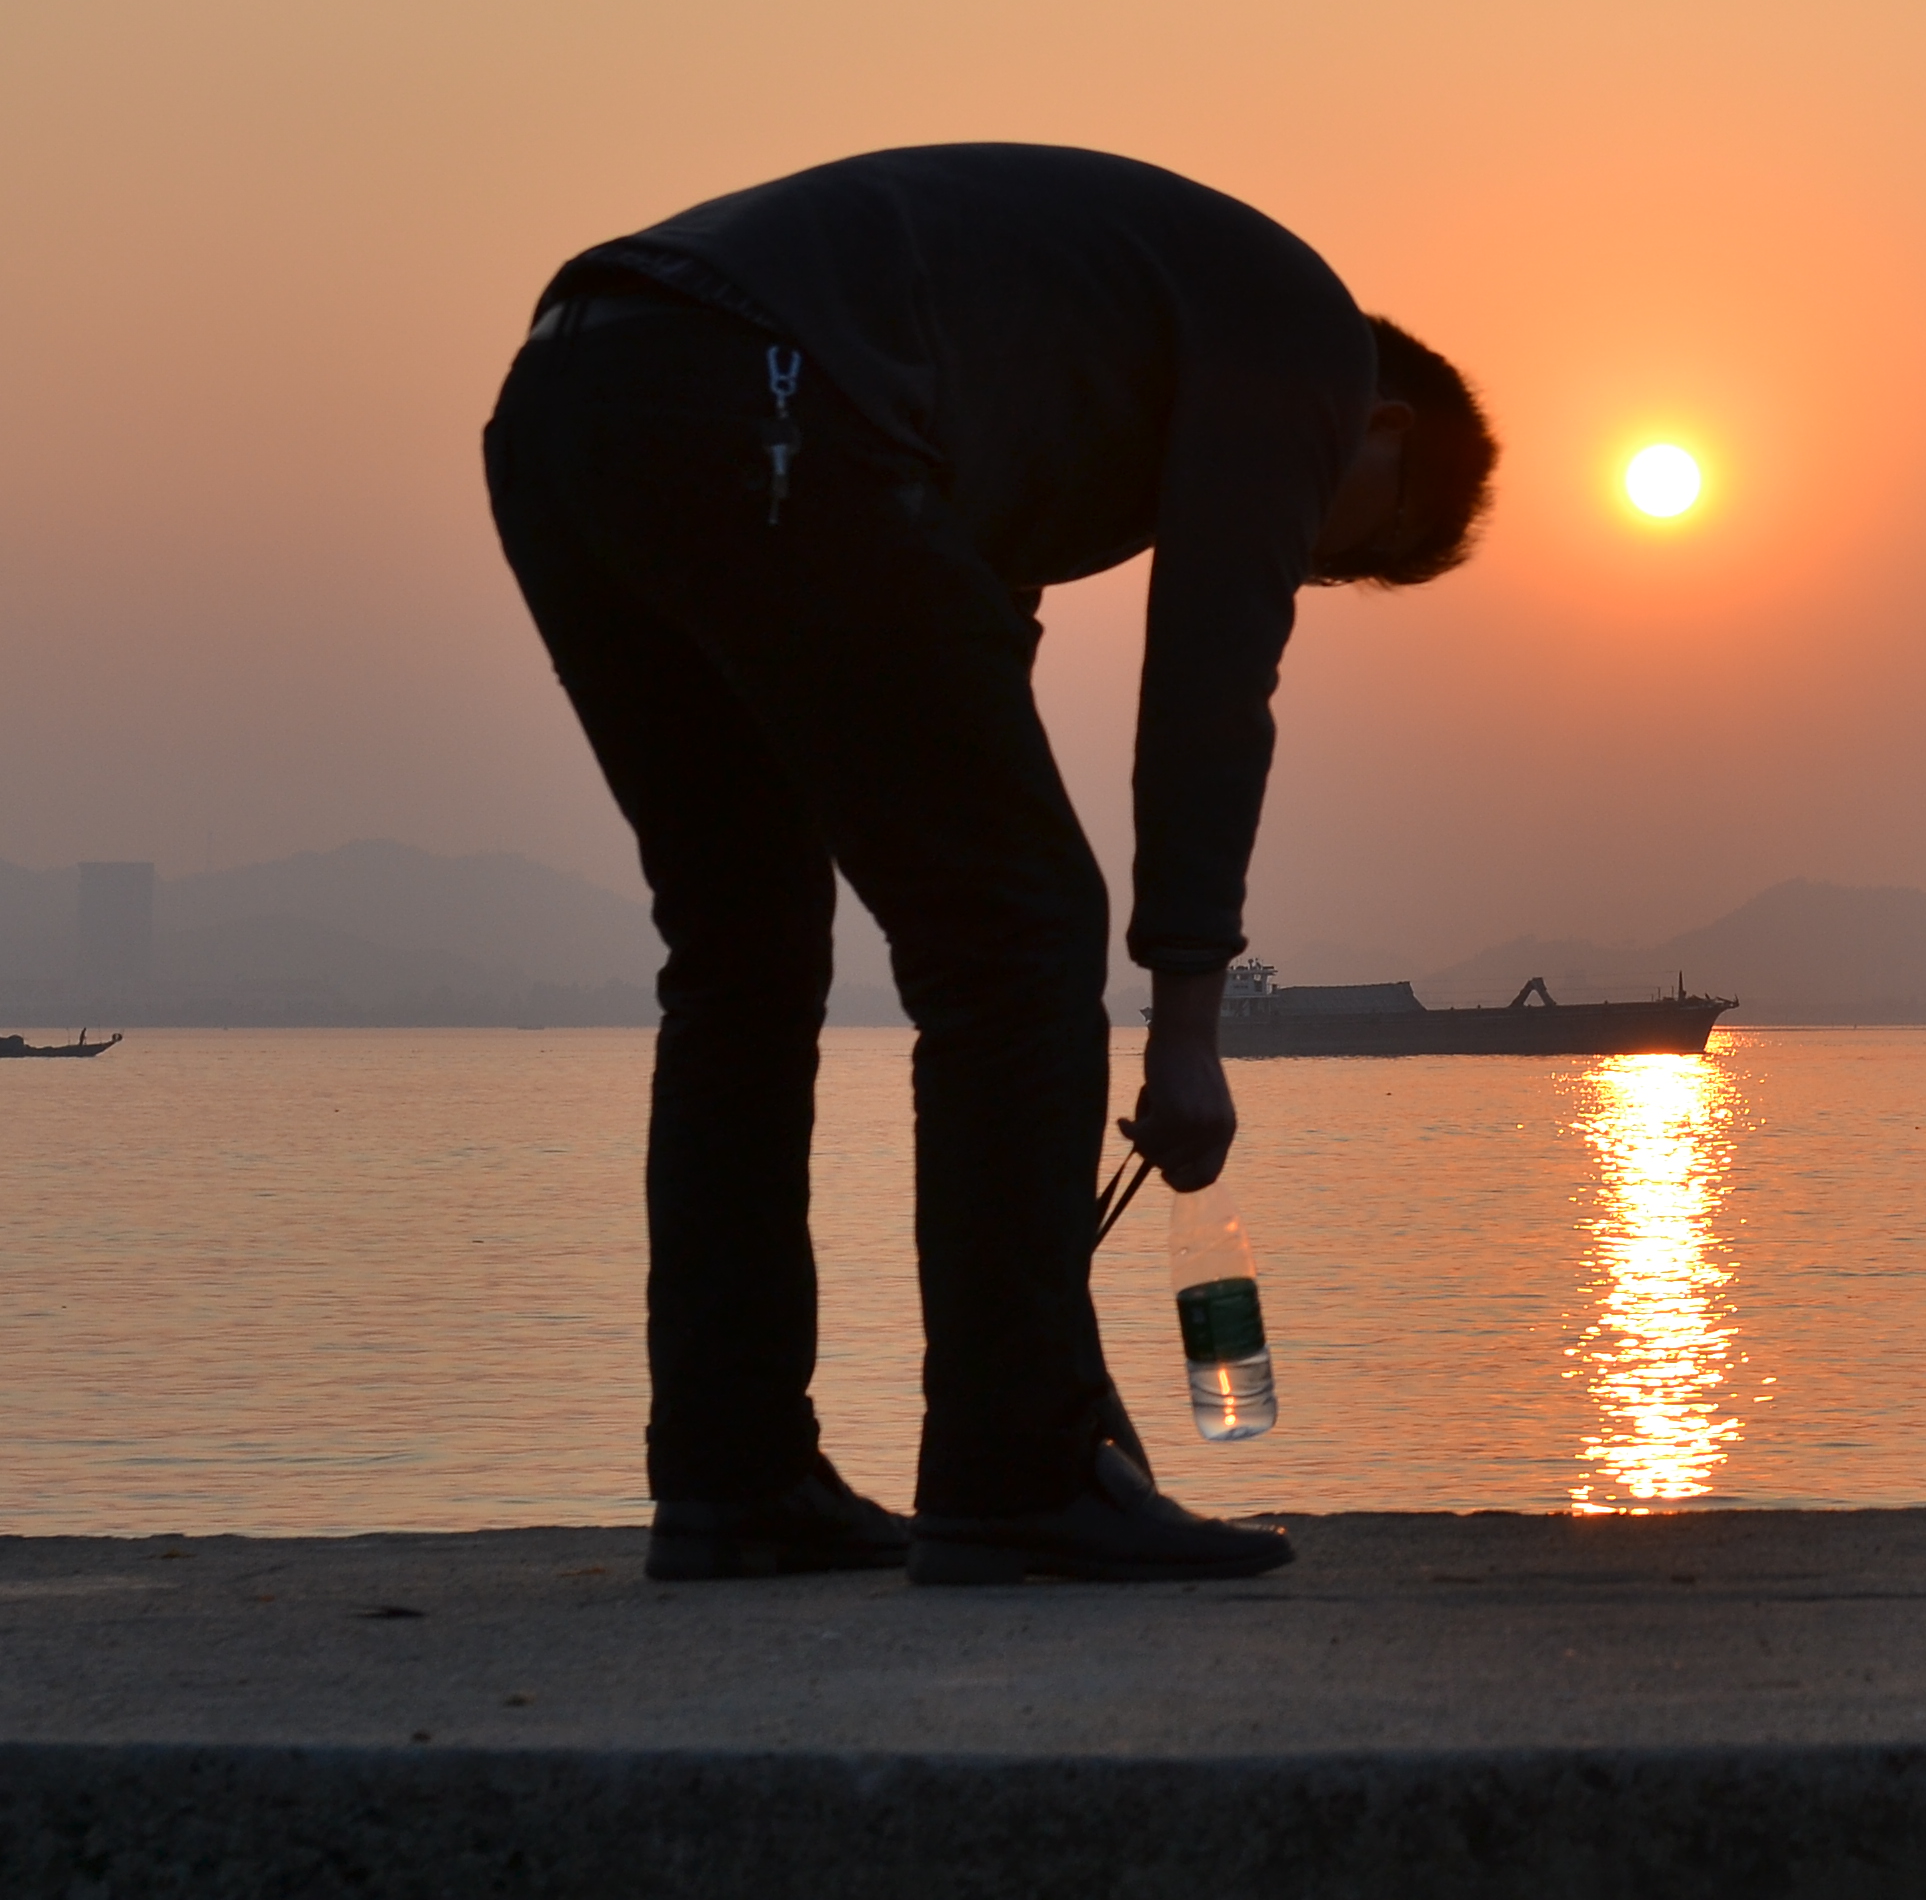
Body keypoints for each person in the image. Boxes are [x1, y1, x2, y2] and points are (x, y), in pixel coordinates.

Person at [481, 144, 1497, 1585]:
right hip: (765, 386)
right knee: (1020, 937)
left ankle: (735, 1479)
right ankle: (1015, 1478)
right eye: (1354, 554)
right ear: (1380, 429)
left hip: (575, 395)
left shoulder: (1059, 363)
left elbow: (953, 643)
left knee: (748, 952)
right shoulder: (1307, 348)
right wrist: (1188, 1035)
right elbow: (1211, 681)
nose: (1312, 574)